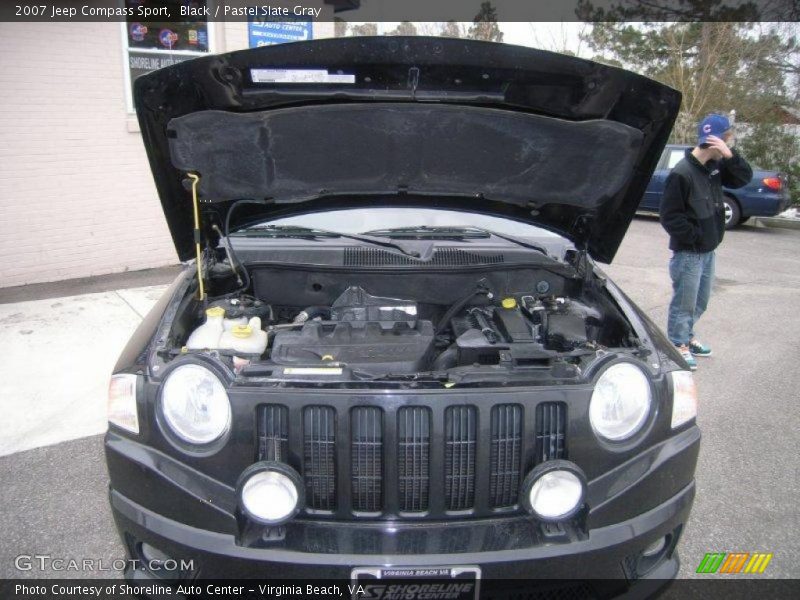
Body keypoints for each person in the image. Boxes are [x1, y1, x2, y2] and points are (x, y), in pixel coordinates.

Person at [659, 113, 752, 370]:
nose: (729, 144)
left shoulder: (715, 168)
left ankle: (686, 336)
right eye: (727, 140)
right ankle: (678, 344)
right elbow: (670, 216)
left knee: (700, 301)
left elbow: (743, 177)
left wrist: (730, 155)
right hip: (690, 252)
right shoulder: (682, 173)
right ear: (716, 141)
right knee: (685, 302)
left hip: (708, 249)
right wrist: (696, 238)